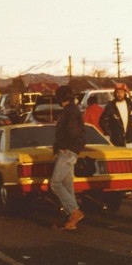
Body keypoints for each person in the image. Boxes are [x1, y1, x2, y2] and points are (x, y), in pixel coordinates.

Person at [51, 85, 86, 230]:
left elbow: (71, 133)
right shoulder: (72, 110)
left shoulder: (69, 112)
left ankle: (73, 211)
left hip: (67, 151)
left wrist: (62, 146)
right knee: (67, 185)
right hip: (71, 151)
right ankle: (71, 220)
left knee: (55, 183)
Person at [99, 83, 132, 147]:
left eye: (121, 92)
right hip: (116, 140)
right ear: (115, 93)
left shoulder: (131, 105)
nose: (119, 94)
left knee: (130, 156)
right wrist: (110, 133)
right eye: (117, 92)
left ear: (125, 93)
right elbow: (102, 121)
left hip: (129, 139)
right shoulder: (110, 106)